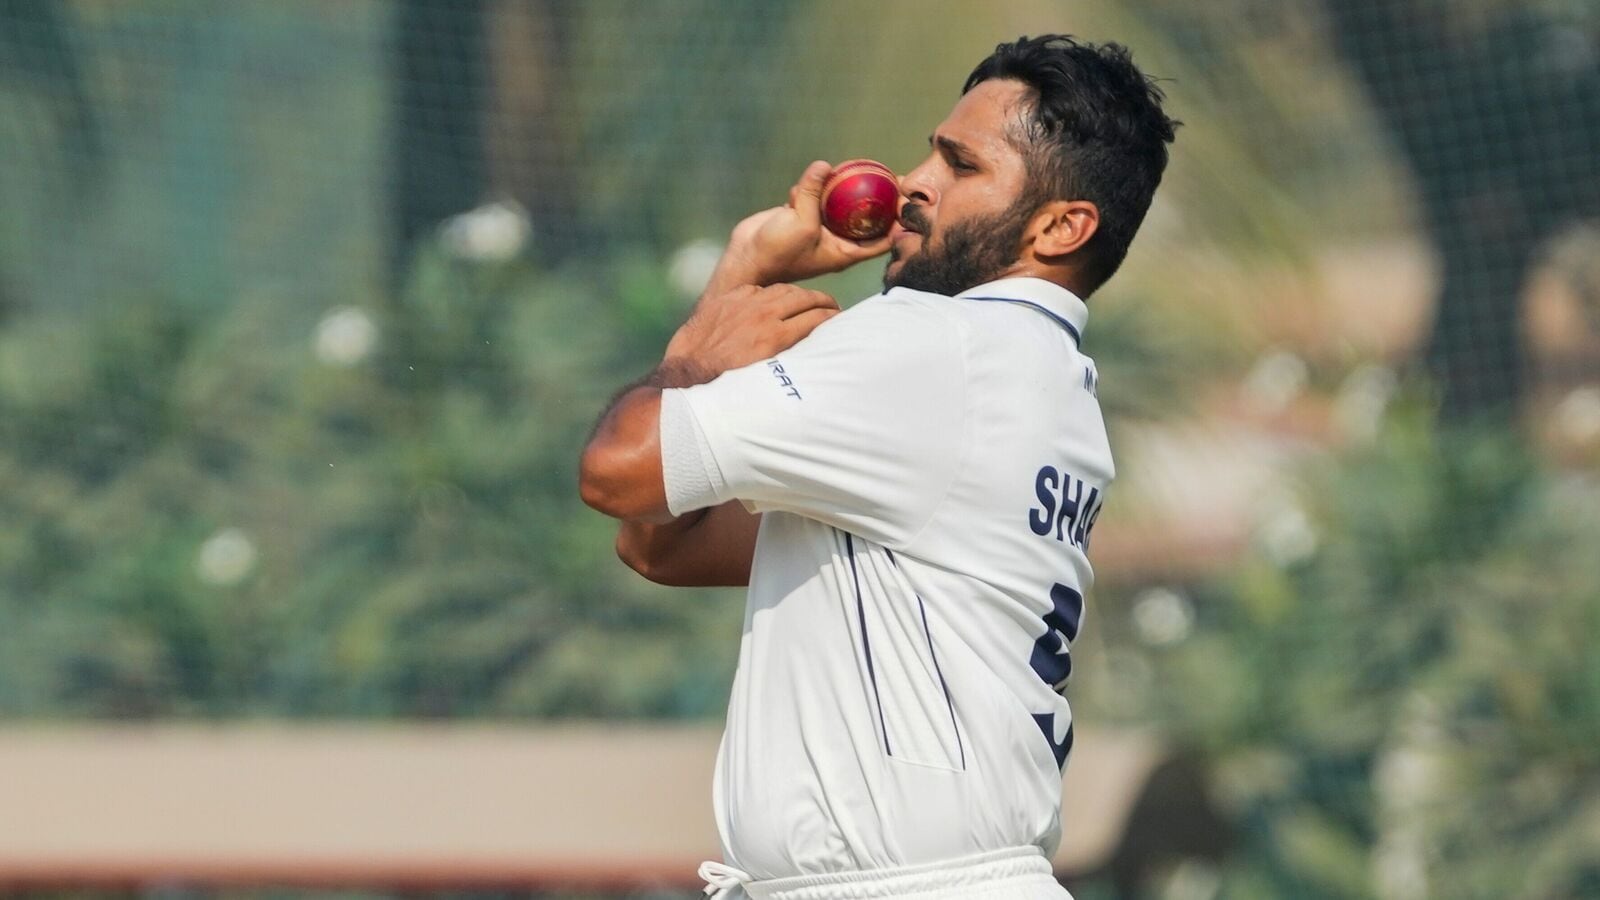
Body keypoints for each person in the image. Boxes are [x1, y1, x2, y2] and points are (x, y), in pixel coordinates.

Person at [580, 34, 1177, 900]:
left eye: (960, 165)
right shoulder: (1042, 381)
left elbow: (616, 472)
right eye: (932, 150)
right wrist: (740, 284)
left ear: (1061, 226)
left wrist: (704, 350)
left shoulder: (936, 343)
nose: (912, 184)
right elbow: (663, 546)